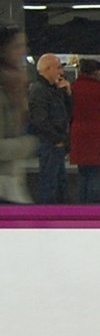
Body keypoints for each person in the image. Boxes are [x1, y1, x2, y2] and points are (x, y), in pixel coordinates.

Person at [0, 25, 39, 203]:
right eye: (17, 46)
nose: (23, 51)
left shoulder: (14, 86)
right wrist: (29, 144)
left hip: (11, 186)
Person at [68, 59, 100, 203]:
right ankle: (94, 206)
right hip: (99, 135)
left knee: (83, 172)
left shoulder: (73, 88)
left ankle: (82, 207)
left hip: (79, 134)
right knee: (99, 172)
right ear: (96, 72)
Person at [29, 53, 72, 204]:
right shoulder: (39, 90)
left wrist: (67, 94)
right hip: (50, 144)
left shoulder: (53, 90)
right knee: (50, 183)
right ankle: (47, 219)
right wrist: (58, 139)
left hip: (56, 143)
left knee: (60, 183)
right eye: (58, 67)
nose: (61, 72)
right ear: (47, 69)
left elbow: (68, 113)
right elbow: (40, 121)